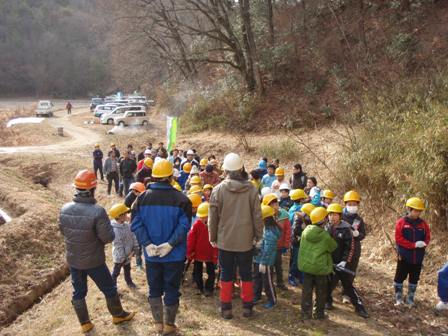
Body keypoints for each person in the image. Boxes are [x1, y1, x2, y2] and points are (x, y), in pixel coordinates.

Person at [60, 170, 135, 333]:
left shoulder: (64, 208)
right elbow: (108, 237)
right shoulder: (97, 211)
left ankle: (85, 323)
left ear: (76, 189)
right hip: (94, 260)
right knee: (109, 288)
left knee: (78, 292)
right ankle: (118, 315)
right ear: (92, 189)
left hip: (74, 259)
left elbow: (63, 231)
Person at [131, 159, 192, 335]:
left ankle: (158, 323)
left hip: (152, 256)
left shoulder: (141, 199)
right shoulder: (182, 199)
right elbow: (184, 226)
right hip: (174, 255)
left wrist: (147, 243)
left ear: (154, 177)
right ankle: (169, 325)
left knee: (154, 288)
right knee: (172, 289)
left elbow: (136, 224)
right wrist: (171, 243)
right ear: (171, 176)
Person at [209, 153, 263, 320]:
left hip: (225, 240)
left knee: (226, 273)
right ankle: (247, 308)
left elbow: (213, 217)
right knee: (246, 273)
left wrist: (212, 237)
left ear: (225, 170)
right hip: (245, 241)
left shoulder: (218, 190)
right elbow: (257, 215)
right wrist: (258, 236)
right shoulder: (252, 189)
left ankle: (226, 309)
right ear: (241, 169)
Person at [326, 203, 369, 318]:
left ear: (340, 216)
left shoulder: (346, 229)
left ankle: (359, 307)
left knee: (348, 286)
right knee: (329, 283)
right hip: (331, 264)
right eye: (330, 214)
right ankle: (327, 301)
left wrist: (345, 261)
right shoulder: (327, 227)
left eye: (335, 215)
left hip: (343, 265)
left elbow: (350, 248)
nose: (332, 217)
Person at [299, 207, 337, 320]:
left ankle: (305, 313)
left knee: (306, 290)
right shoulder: (324, 236)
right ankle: (319, 314)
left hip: (307, 266)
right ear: (323, 221)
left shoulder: (305, 231)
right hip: (320, 268)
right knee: (321, 292)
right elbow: (333, 247)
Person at [394, 197, 430, 306]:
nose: (417, 213)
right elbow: (398, 239)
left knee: (414, 279)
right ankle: (398, 298)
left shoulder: (423, 224)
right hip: (404, 256)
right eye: (415, 210)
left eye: (419, 211)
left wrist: (424, 243)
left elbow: (427, 237)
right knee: (400, 277)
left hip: (418, 258)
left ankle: (410, 299)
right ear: (409, 209)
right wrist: (413, 245)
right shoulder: (401, 222)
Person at [253, 205, 281, 309]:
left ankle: (272, 300)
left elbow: (268, 249)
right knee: (257, 278)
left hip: (266, 262)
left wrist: (264, 262)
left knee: (267, 281)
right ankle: (256, 296)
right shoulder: (263, 228)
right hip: (257, 258)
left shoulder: (270, 232)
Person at [187, 202, 218, 296]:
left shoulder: (215, 225)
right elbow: (191, 239)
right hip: (198, 254)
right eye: (202, 217)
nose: (203, 219)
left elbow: (217, 241)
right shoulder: (197, 225)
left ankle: (209, 288)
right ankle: (200, 287)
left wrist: (216, 255)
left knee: (211, 272)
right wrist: (190, 251)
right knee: (198, 271)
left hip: (210, 253)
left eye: (205, 216)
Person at [342, 190, 367, 303]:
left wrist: (358, 235)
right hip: (341, 249)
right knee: (338, 271)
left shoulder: (359, 219)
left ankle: (346, 294)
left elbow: (362, 234)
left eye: (354, 204)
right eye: (349, 204)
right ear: (345, 204)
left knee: (350, 272)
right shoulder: (340, 216)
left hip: (355, 249)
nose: (352, 206)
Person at [262, 193, 291, 290]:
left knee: (278, 265)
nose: (275, 207)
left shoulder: (284, 215)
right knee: (268, 266)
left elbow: (287, 231)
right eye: (272, 205)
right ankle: (267, 283)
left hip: (278, 246)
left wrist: (286, 244)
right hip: (267, 246)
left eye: (276, 204)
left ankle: (280, 282)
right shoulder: (264, 217)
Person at [109, 203, 139, 288]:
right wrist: (123, 258)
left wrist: (135, 247)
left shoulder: (127, 225)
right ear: (119, 216)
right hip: (120, 256)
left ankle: (129, 282)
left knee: (127, 269)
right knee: (116, 272)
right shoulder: (115, 230)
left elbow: (133, 235)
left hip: (128, 254)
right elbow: (118, 245)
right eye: (125, 214)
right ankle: (112, 286)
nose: (127, 215)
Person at [290, 203, 315, 286]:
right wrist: (302, 230)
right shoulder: (298, 219)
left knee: (302, 261)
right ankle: (291, 277)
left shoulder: (308, 220)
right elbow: (295, 231)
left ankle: (301, 277)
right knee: (295, 261)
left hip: (304, 244)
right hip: (297, 244)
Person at [124, 182, 146, 271]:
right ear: (135, 191)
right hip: (135, 223)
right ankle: (139, 264)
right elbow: (126, 208)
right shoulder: (130, 198)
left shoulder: (143, 197)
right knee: (138, 245)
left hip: (143, 222)